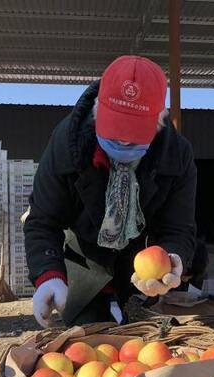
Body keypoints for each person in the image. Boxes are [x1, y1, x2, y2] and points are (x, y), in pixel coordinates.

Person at [24, 55, 197, 327]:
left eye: (136, 134)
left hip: (144, 258)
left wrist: (173, 257)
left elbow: (178, 227)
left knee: (157, 333)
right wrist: (48, 274)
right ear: (97, 113)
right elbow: (43, 221)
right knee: (88, 331)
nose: (125, 141)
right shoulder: (67, 145)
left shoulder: (176, 155)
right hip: (84, 253)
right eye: (116, 133)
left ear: (159, 121)